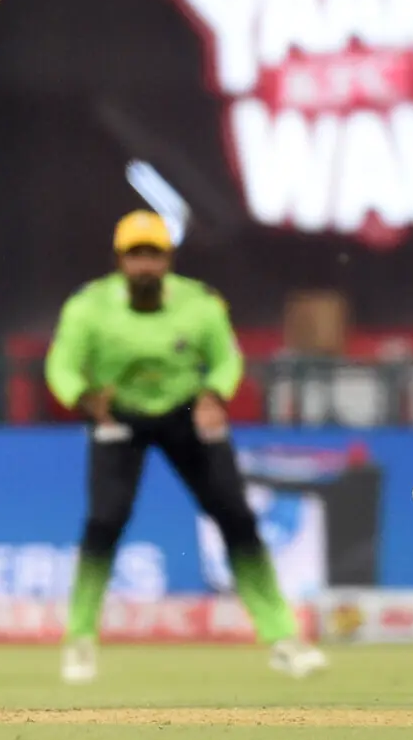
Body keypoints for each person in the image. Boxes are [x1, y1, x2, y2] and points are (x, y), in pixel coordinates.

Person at [44, 210, 328, 683]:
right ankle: (79, 639)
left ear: (168, 258)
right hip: (117, 415)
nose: (145, 266)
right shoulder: (88, 308)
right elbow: (62, 367)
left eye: (153, 254)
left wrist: (216, 395)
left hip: (185, 412)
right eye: (136, 255)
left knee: (236, 516)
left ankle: (282, 637)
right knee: (104, 521)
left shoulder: (199, 305)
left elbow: (226, 359)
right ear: (119, 260)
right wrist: (84, 399)